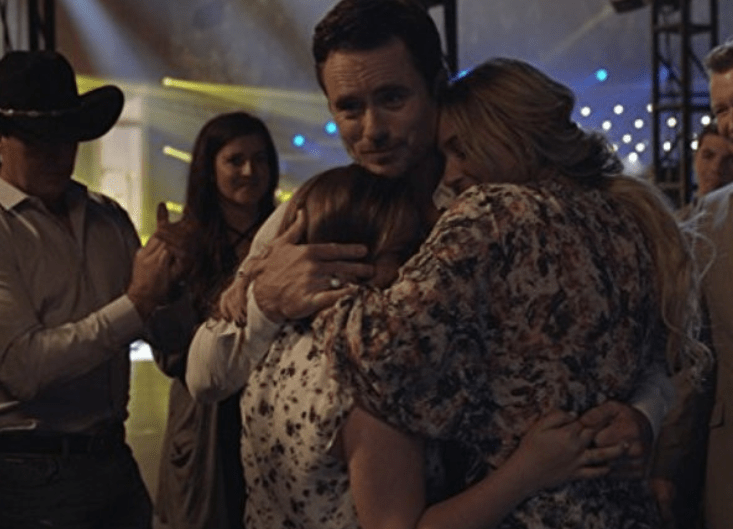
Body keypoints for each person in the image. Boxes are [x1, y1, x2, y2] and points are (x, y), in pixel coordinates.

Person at [187, 0, 674, 471]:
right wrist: (265, 305)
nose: (373, 129)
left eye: (392, 98)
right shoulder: (321, 211)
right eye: (350, 108)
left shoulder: (499, 200)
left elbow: (635, 339)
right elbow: (204, 377)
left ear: (437, 85)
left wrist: (643, 415)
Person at [303, 57, 710, 528]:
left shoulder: (495, 211)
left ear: (505, 134)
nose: (450, 176)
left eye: (460, 150)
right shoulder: (624, 219)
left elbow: (375, 350)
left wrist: (323, 284)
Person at [234, 163, 626, 529]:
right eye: (404, 251)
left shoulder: (281, 336)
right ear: (350, 257)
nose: (420, 269)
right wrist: (529, 471)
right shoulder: (368, 372)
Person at [0, 50, 178, 528]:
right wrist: (138, 302)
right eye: (38, 139)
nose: (58, 152)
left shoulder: (107, 216)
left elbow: (169, 338)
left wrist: (175, 282)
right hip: (26, 467)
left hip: (109, 454)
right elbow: (24, 368)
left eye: (66, 136)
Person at [146, 112, 279, 529]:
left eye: (260, 158)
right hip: (209, 422)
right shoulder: (184, 242)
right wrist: (167, 288)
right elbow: (171, 357)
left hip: (278, 412)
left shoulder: (286, 237)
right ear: (209, 168)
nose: (250, 171)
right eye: (235, 160)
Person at [655, 38, 733, 529]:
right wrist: (668, 469)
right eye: (722, 109)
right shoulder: (709, 219)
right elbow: (695, 360)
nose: (731, 122)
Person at [674, 122, 733, 220]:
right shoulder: (677, 222)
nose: (716, 167)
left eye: (729, 160)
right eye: (708, 156)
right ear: (695, 157)